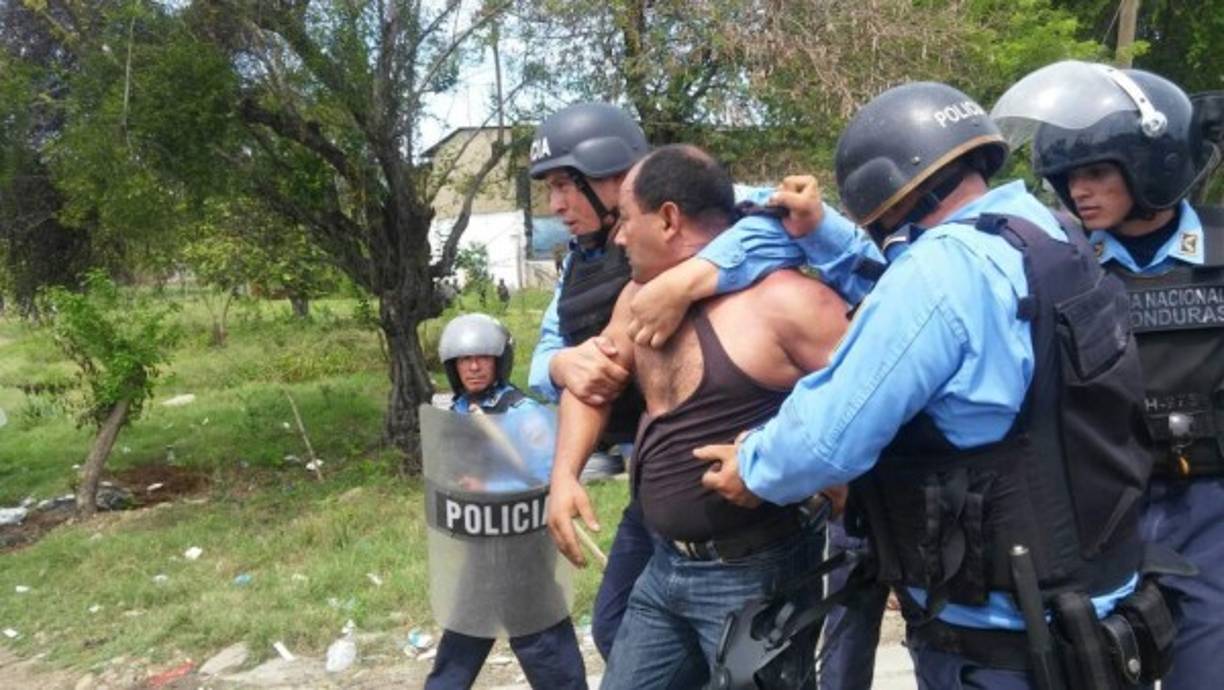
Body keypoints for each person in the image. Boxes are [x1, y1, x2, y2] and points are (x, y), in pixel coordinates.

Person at [697, 82, 1171, 690]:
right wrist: (825, 234)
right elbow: (912, 297)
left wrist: (753, 465)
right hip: (1097, 610)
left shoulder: (939, 272)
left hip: (1001, 642)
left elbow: (826, 439)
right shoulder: (1047, 235)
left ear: (884, 191)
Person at [526, 102, 877, 663]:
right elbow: (589, 378)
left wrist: (805, 461)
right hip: (664, 548)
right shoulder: (624, 287)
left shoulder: (780, 292)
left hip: (756, 558)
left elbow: (881, 390)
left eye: (568, 185)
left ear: (663, 217)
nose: (558, 206)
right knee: (615, 637)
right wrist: (564, 468)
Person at [1009, 62, 1223, 690]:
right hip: (1101, 511)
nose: (1080, 191)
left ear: (1151, 163)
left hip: (1210, 506)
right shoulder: (1056, 263)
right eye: (1070, 176)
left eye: (1097, 171)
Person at [424, 313, 586, 690]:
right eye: (464, 360)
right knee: (462, 637)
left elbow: (549, 477)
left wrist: (491, 483)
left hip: (523, 550)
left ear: (500, 361)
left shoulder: (523, 414)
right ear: (453, 367)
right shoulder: (458, 413)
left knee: (544, 646)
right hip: (480, 548)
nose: (474, 366)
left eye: (483, 357)